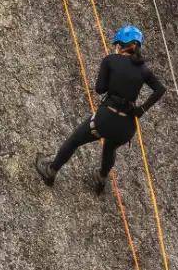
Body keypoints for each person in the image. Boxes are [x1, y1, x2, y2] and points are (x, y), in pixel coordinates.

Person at [35, 25, 167, 195]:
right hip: (127, 127)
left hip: (107, 117)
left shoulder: (110, 60)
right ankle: (101, 178)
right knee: (110, 147)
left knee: (75, 140)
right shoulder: (144, 70)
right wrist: (142, 109)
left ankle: (50, 171)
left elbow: (100, 89)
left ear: (120, 45)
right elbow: (160, 89)